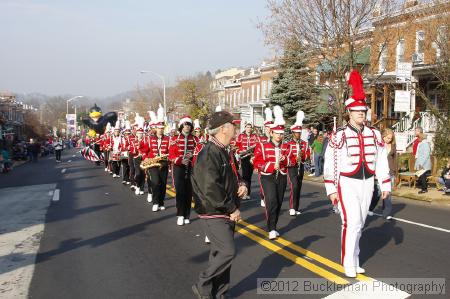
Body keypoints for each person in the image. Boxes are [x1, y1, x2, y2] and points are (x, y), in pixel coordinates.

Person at [323, 70, 391, 278]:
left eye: (364, 111)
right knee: (351, 222)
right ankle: (347, 262)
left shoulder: (375, 134)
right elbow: (330, 164)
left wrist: (385, 184)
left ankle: (356, 257)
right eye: (358, 111)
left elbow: (380, 159)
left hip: (367, 183)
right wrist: (331, 188)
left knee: (360, 222)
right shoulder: (339, 136)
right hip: (347, 183)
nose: (362, 114)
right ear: (349, 113)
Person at [191, 109, 247, 299]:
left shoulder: (224, 151)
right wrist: (232, 208)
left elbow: (232, 176)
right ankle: (203, 284)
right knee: (227, 251)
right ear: (223, 128)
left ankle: (219, 294)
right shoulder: (209, 153)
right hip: (214, 211)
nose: (236, 128)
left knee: (219, 255)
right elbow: (210, 188)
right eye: (233, 125)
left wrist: (242, 184)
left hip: (224, 209)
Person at [253, 106, 289, 240]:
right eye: (277, 133)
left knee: (279, 202)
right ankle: (271, 228)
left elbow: (290, 162)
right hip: (267, 177)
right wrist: (270, 166)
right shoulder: (262, 145)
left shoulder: (286, 146)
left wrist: (285, 159)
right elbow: (257, 163)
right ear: (272, 133)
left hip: (282, 176)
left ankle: (274, 225)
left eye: (281, 133)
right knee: (271, 201)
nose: (280, 136)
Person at [169, 115, 199, 226]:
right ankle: (180, 214)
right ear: (181, 126)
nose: (187, 127)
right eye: (185, 124)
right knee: (180, 192)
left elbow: (199, 153)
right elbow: (171, 155)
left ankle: (187, 215)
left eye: (189, 125)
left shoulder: (195, 139)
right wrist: (180, 160)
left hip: (191, 168)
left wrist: (193, 156)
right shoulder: (174, 139)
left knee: (189, 192)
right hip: (179, 168)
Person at [285, 110, 309, 216]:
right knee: (294, 186)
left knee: (298, 187)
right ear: (293, 133)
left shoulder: (304, 144)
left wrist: (303, 156)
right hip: (291, 167)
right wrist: (294, 158)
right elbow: (286, 156)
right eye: (296, 133)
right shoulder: (288, 144)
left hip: (301, 166)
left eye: (299, 133)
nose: (298, 134)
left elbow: (308, 155)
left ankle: (296, 207)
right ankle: (291, 207)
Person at [368, 128, 396, 219]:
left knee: (387, 192)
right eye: (388, 138)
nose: (389, 140)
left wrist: (395, 171)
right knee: (378, 192)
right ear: (383, 136)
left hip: (389, 172)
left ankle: (386, 213)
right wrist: (374, 172)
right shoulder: (378, 145)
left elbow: (395, 159)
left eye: (391, 138)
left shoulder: (393, 146)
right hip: (379, 171)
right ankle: (370, 208)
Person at [147, 106, 170, 211]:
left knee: (163, 184)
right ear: (155, 128)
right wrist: (146, 158)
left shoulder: (167, 139)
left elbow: (170, 151)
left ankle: (161, 202)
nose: (160, 130)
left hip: (164, 163)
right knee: (155, 183)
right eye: (159, 128)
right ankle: (155, 202)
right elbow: (144, 150)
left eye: (162, 128)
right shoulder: (150, 139)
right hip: (153, 163)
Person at [235, 122, 258, 200]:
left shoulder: (254, 136)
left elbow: (257, 147)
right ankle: (244, 193)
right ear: (245, 128)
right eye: (247, 127)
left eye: (250, 127)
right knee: (245, 176)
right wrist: (240, 152)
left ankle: (248, 193)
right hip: (244, 157)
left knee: (249, 176)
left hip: (251, 158)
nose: (249, 129)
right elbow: (236, 147)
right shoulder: (241, 136)